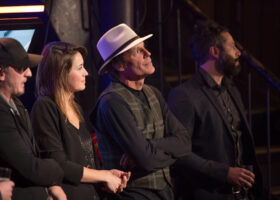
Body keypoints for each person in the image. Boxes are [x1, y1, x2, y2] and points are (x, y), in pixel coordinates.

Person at [90, 23, 191, 200]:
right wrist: (170, 152)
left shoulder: (153, 93)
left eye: (144, 48)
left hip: (165, 192)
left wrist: (152, 146)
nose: (148, 54)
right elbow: (145, 160)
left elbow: (185, 142)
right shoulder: (112, 101)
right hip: (132, 195)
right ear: (120, 65)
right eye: (138, 51)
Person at [168, 21, 265, 200]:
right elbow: (179, 154)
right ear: (214, 52)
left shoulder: (232, 90)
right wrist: (224, 173)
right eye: (233, 47)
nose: (238, 53)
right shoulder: (185, 95)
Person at [31, 41, 130, 200]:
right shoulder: (45, 107)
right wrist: (102, 175)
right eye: (79, 68)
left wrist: (108, 177)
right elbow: (57, 164)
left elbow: (85, 163)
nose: (86, 73)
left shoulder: (75, 108)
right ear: (61, 72)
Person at [0, 38, 66, 200]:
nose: (29, 73)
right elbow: (29, 167)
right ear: (1, 72)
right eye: (21, 68)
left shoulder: (18, 105)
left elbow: (35, 158)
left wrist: (51, 184)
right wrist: (58, 170)